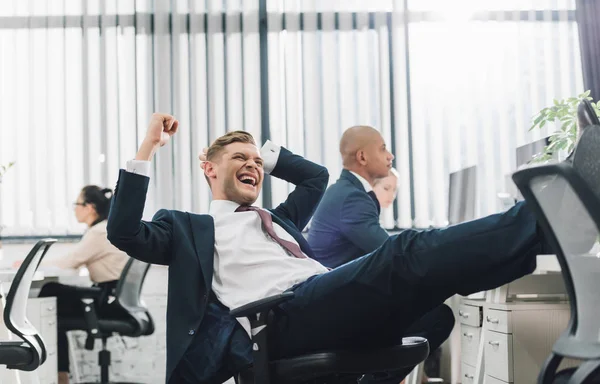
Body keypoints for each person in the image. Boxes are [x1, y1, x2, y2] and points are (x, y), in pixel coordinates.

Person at [107, 113, 596, 384]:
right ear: (209, 169)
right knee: (403, 254)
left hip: (319, 300)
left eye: (256, 161)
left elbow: (315, 177)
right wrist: (147, 146)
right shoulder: (188, 228)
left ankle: (548, 229)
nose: (252, 165)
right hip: (278, 320)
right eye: (239, 158)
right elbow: (124, 231)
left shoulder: (278, 219)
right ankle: (547, 211)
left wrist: (266, 154)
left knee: (434, 316)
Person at [308, 128, 453, 383]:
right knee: (438, 317)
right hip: (340, 309)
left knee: (424, 304)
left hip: (338, 300)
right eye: (383, 148)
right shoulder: (351, 198)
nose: (391, 155)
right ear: (363, 157)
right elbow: (392, 254)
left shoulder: (347, 192)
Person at [26, 186, 129, 384]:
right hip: (113, 297)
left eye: (77, 204)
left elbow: (70, 261)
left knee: (51, 294)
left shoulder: (99, 232)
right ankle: (60, 373)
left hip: (109, 300)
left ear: (89, 207)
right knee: (56, 308)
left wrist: (28, 262)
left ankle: (60, 374)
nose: (74, 209)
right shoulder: (101, 229)